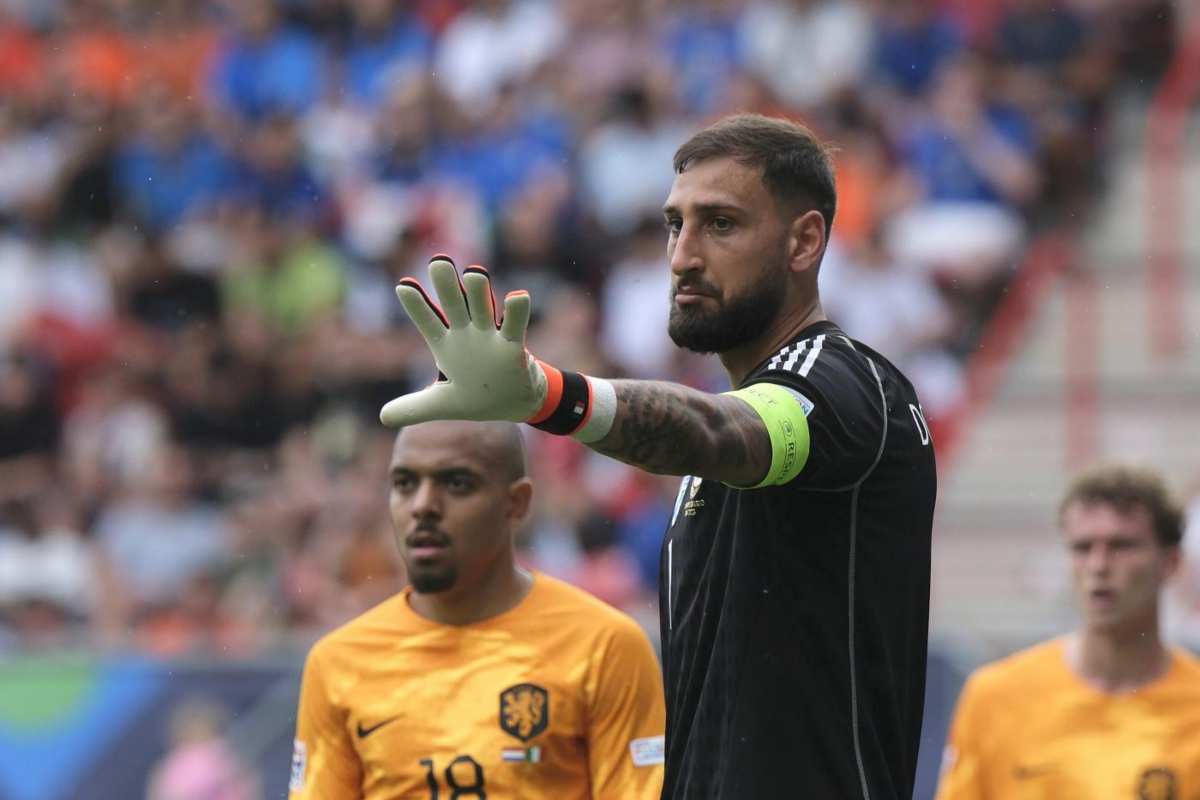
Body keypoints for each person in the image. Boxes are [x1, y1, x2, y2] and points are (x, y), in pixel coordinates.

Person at [379, 113, 938, 798]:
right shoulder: (723, 446)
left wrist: (547, 395)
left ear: (805, 241)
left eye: (721, 224)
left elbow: (717, 432)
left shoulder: (843, 384)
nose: (683, 256)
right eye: (676, 225)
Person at [288, 420, 666, 799]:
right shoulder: (339, 663)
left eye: (456, 484)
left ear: (516, 503)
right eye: (405, 484)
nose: (423, 506)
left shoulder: (604, 647)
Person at [936, 464, 1200, 798]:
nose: (1099, 566)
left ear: (1170, 562)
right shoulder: (995, 698)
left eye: (1121, 546)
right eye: (1082, 548)